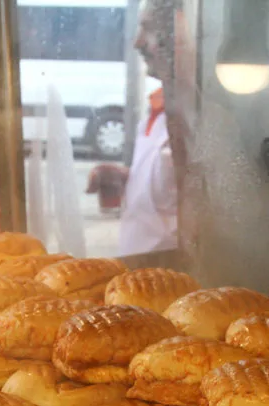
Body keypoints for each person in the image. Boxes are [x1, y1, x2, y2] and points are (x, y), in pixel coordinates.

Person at [87, 0, 180, 257]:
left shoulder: (202, 120)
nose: (138, 42)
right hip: (137, 274)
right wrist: (127, 178)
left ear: (180, 35)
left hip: (174, 279)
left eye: (149, 29)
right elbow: (168, 190)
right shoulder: (157, 108)